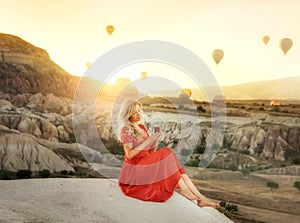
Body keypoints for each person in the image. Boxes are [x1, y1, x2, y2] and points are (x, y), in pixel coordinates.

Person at [117, 98, 219, 208]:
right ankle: (184, 189)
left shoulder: (142, 127)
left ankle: (202, 199)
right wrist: (148, 140)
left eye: (138, 111)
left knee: (177, 168)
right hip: (134, 170)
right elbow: (130, 155)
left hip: (145, 165)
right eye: (134, 112)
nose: (138, 114)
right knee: (166, 152)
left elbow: (151, 154)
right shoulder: (126, 130)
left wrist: (155, 138)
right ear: (128, 114)